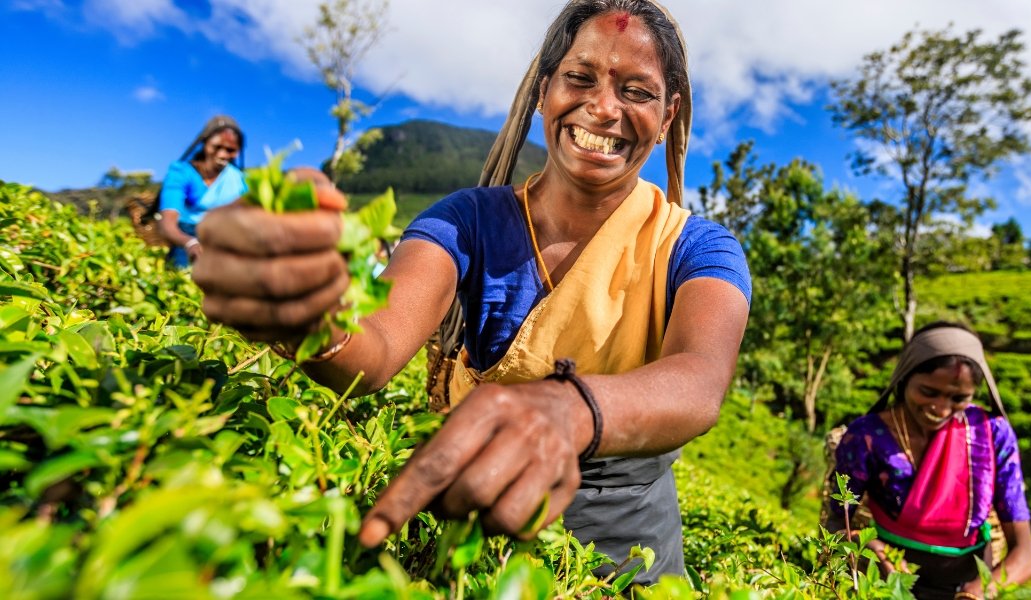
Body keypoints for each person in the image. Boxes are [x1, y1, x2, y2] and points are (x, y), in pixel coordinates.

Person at [191, 0, 750, 585]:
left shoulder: (698, 248)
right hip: (478, 546)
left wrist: (568, 408)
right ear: (543, 91)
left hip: (630, 561)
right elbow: (375, 344)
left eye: (637, 91)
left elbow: (699, 379)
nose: (604, 108)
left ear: (667, 117)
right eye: (579, 78)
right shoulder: (466, 222)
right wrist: (309, 310)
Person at [829, 323, 1031, 599]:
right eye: (928, 392)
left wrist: (977, 593)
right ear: (904, 378)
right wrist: (869, 549)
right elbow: (835, 522)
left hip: (967, 585)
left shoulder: (991, 435)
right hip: (886, 584)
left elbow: (1025, 553)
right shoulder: (866, 437)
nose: (940, 408)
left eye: (958, 398)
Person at [157, 115, 247, 267]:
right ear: (205, 144)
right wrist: (190, 243)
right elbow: (168, 223)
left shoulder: (239, 179)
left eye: (230, 150)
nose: (223, 154)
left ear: (237, 152)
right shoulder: (182, 172)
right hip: (186, 234)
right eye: (217, 147)